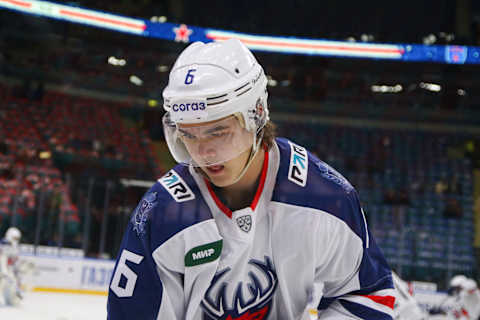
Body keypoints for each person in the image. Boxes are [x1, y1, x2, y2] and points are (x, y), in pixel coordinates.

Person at [107, 39, 395, 319]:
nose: (203, 152)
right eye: (188, 135)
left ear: (256, 115)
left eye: (218, 132)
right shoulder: (161, 213)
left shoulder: (324, 197)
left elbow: (366, 294)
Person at [0, 226, 23, 306]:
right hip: (2, 268)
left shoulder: (15, 248)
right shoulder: (2, 245)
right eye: (14, 238)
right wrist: (4, 271)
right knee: (4, 278)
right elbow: (2, 258)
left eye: (17, 238)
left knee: (13, 281)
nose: (15, 240)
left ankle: (12, 298)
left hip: (8, 268)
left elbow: (15, 261)